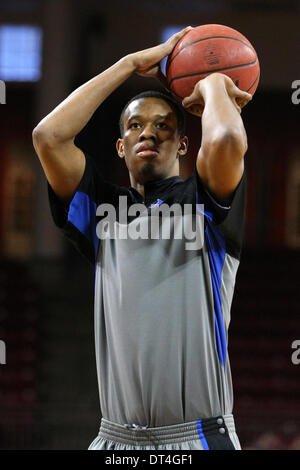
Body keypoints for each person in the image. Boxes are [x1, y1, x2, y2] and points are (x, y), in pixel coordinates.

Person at [32, 26, 252, 451]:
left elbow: (225, 137)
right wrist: (129, 65)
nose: (148, 133)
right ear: (120, 146)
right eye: (135, 125)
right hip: (115, 440)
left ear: (184, 144)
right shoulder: (100, 210)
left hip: (197, 437)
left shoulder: (207, 202)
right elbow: (48, 136)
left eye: (163, 126)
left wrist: (213, 84)